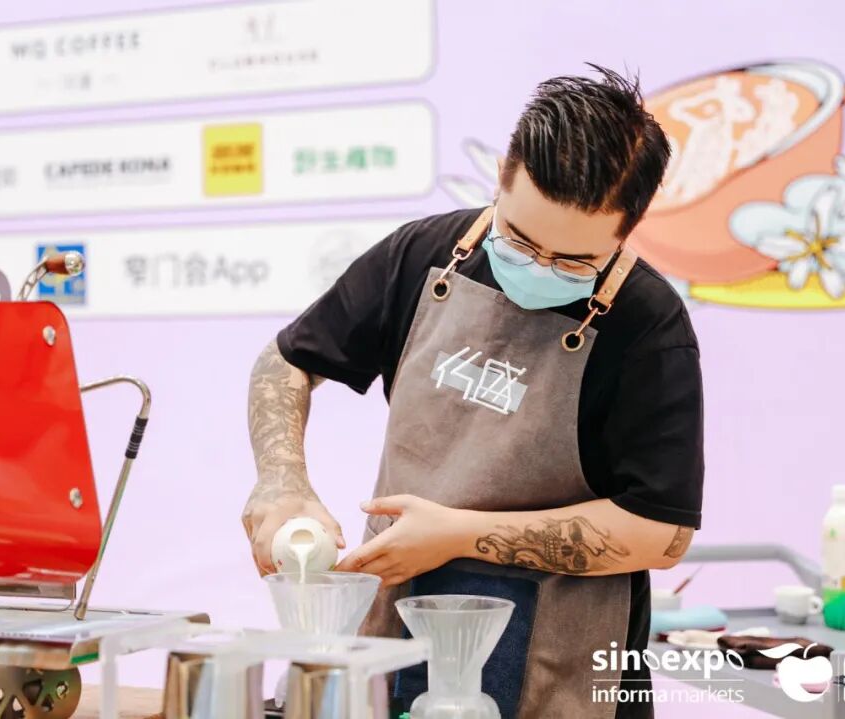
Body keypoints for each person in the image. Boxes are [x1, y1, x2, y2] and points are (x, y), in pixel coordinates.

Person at [243, 66, 704, 719]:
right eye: (519, 239)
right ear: (501, 177)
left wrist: (461, 535)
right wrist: (281, 480)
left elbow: (661, 533)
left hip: (562, 659)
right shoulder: (423, 255)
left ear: (627, 230)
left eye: (573, 261)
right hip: (396, 614)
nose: (538, 269)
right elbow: (286, 361)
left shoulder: (648, 327)